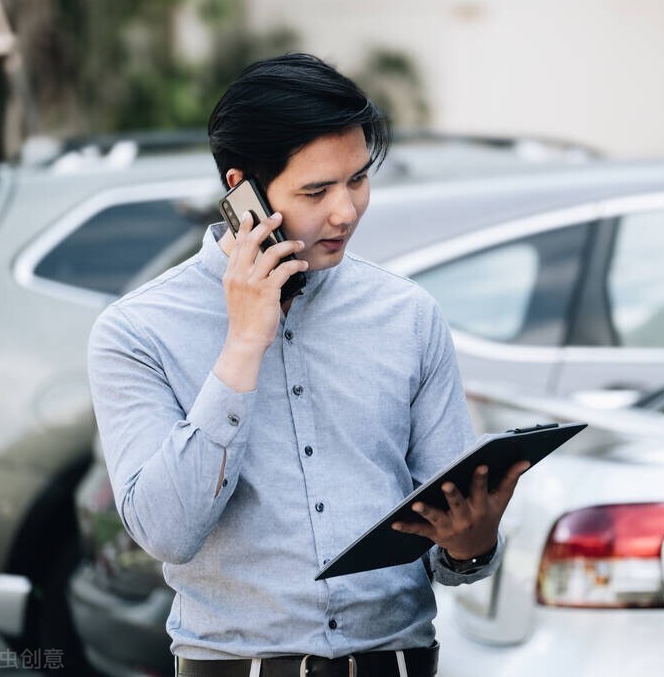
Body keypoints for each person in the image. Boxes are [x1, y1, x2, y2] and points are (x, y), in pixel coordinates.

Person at [87, 52, 529, 677]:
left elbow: (453, 545)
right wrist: (243, 344)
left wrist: (470, 544)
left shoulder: (408, 316)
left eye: (357, 180)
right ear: (242, 190)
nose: (345, 211)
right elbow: (166, 531)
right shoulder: (137, 332)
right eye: (316, 191)